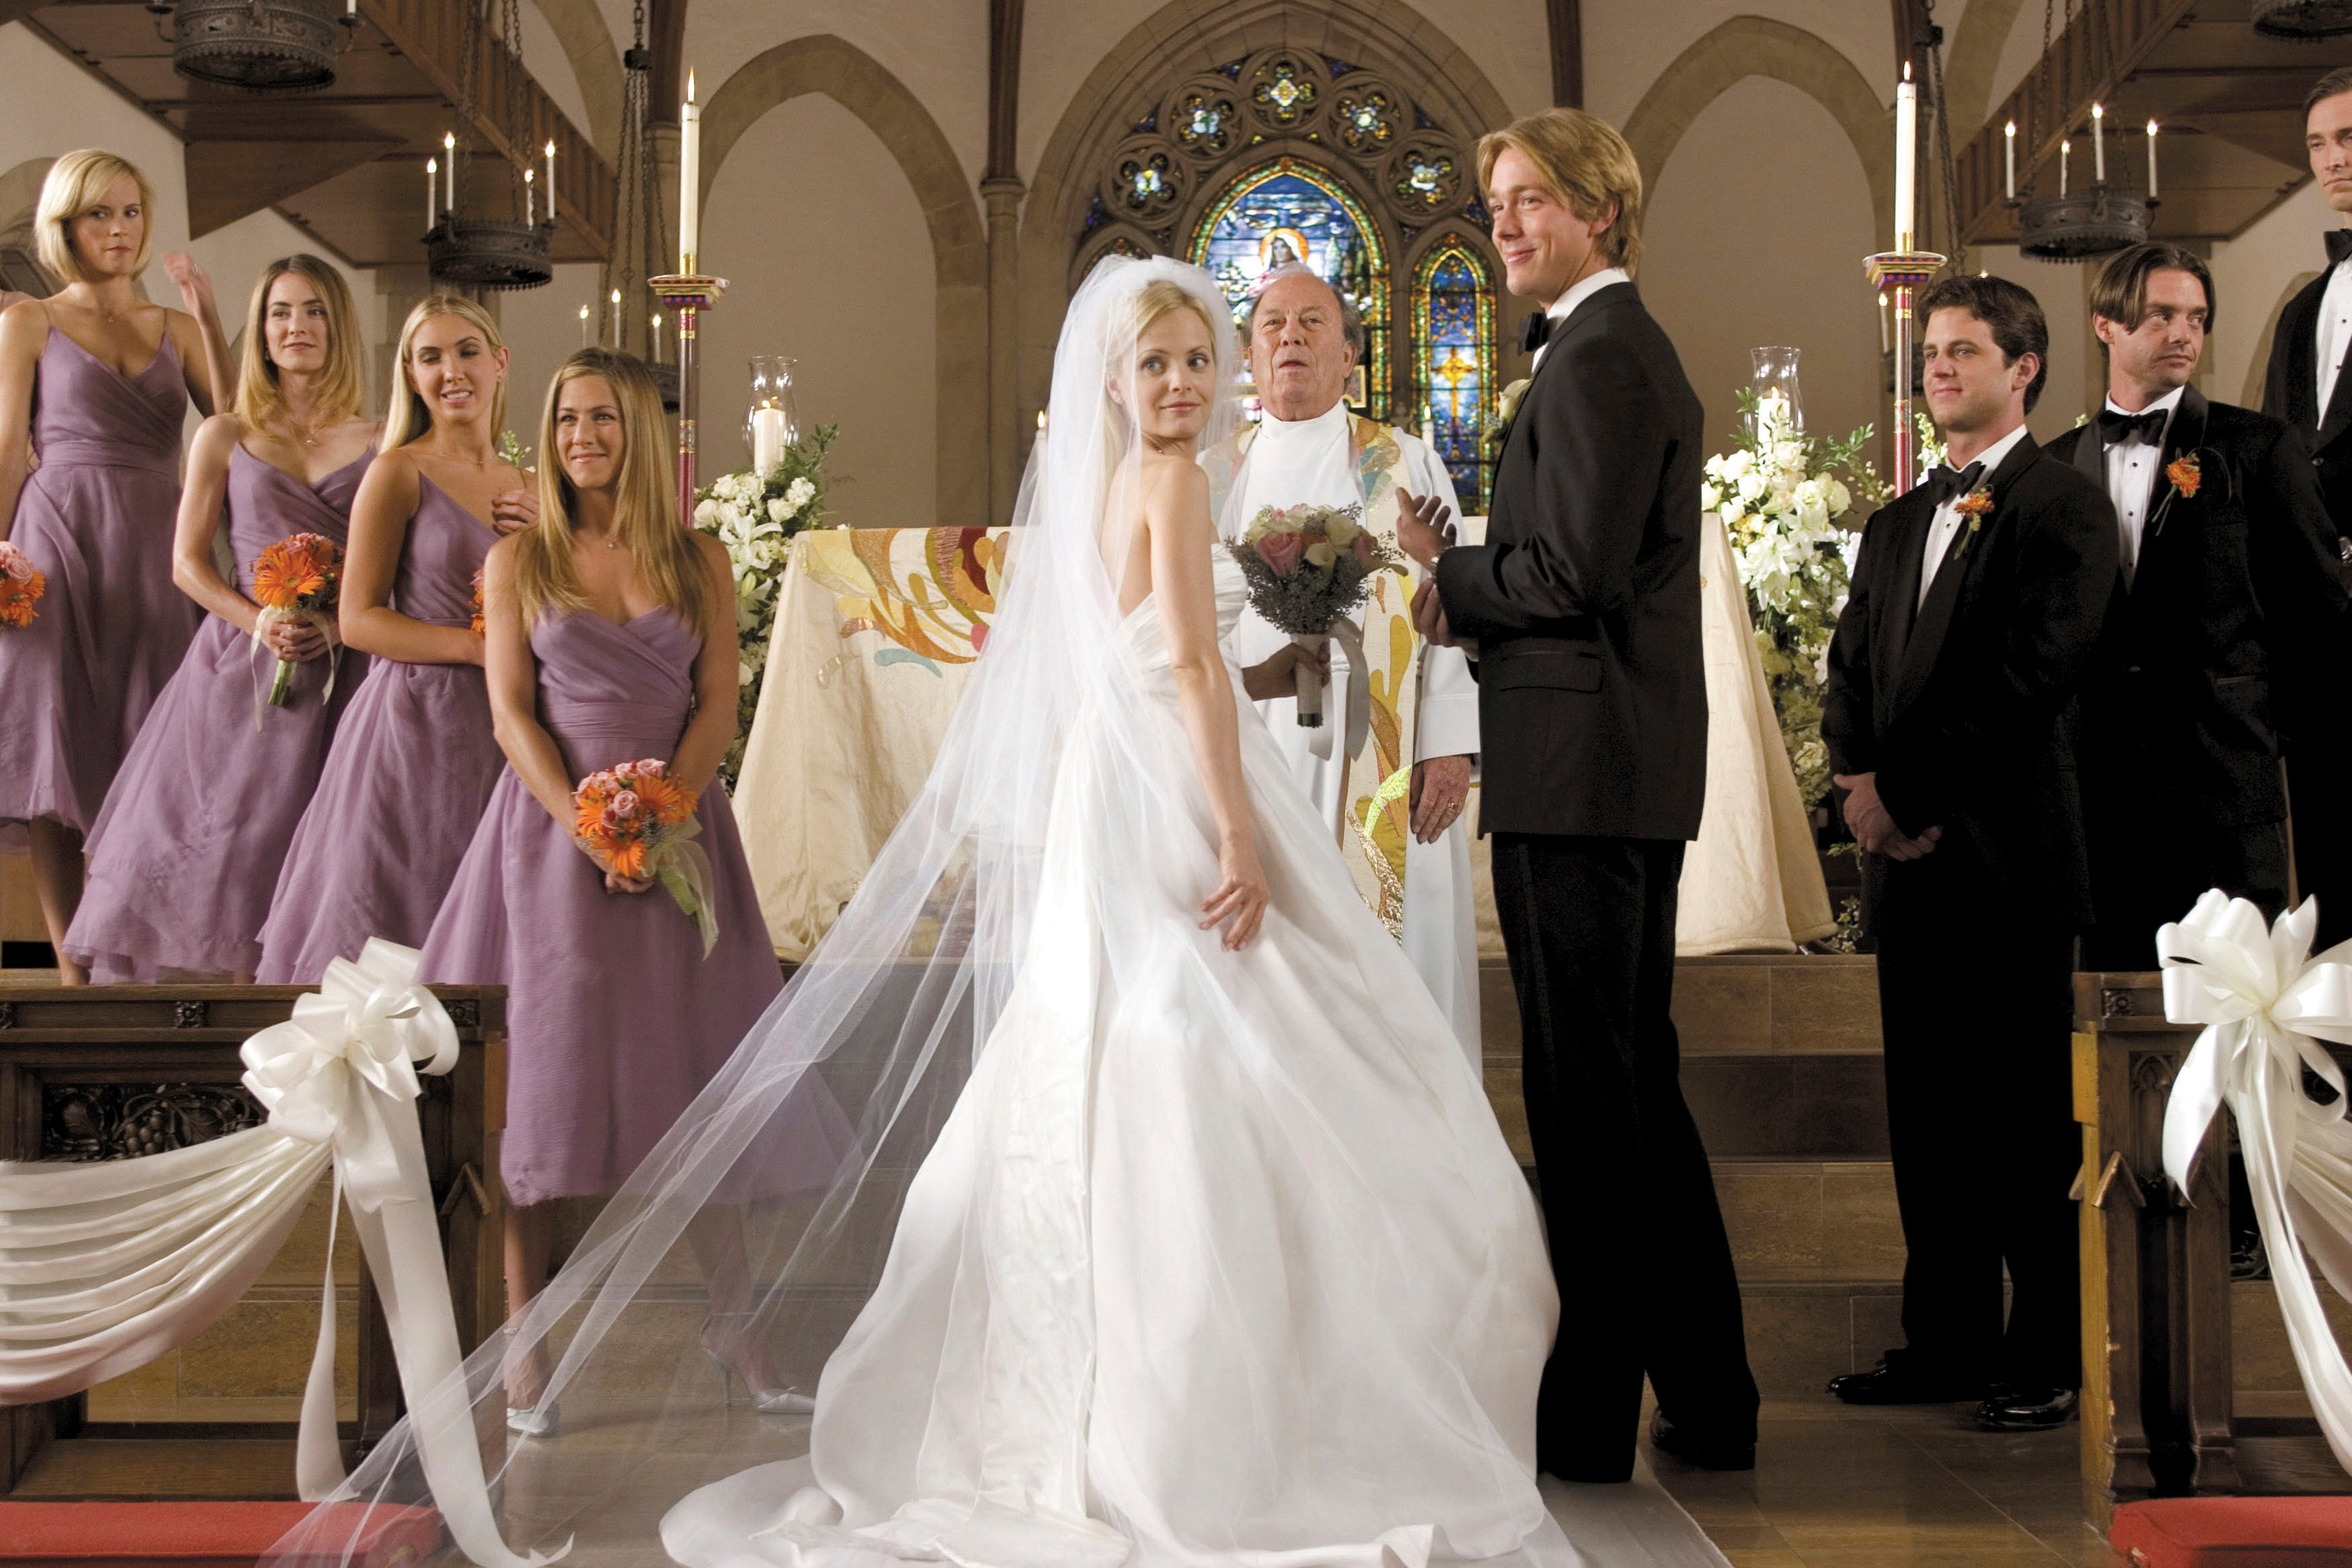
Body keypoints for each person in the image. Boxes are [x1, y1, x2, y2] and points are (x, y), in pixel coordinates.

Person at [266, 255, 1752, 1568]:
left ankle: (1086, 1389)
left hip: (1123, 796)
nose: (1183, 383)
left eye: (1196, 361)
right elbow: (1175, 674)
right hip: (1173, 800)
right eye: (1159, 363)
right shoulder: (1170, 481)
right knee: (1224, 1059)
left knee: (1120, 1051)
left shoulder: (1120, 480)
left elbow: (1154, 664)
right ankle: (1224, 1403)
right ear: (1116, 376)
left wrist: (1248, 697)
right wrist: (1242, 827)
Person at [1403, 105, 1758, 1482]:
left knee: (1589, 1103)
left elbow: (1572, 578)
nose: (1504, 222)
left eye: (1530, 199)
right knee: (1627, 1092)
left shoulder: (1606, 359)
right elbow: (1568, 562)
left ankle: (1592, 1421)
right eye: (1495, 201)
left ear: (1601, 212)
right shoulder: (1596, 353)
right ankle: (1711, 1399)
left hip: (1585, 775)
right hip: (1594, 766)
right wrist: (1484, 571)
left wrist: (1453, 587)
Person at [422, 349, 841, 1436]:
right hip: (550, 839)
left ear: (639, 432)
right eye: (565, 419)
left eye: (601, 418)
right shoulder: (518, 560)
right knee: (539, 1090)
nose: (580, 436)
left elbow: (714, 703)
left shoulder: (698, 558)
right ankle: (526, 1343)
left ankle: (735, 1325)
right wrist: (583, 820)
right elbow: (512, 712)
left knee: (702, 1078)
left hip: (683, 835)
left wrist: (667, 809)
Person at [1820, 274, 2116, 1433]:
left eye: (1962, 350)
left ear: (2022, 369)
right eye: (1930, 351)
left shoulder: (2064, 510)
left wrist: (1904, 793)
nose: (1937, 368)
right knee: (1929, 1120)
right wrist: (1858, 786)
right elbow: (1850, 669)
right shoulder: (1898, 521)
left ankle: (2046, 1351)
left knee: (2026, 1123)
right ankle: (1943, 1341)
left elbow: (2026, 682)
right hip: (1912, 871)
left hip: (2008, 860)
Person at [63, 255, 379, 983]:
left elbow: (399, 562)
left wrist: (339, 624)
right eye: (279, 313)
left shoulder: (382, 438)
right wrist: (258, 621)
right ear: (260, 333)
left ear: (339, 326)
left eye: (313, 311)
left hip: (348, 670)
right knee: (234, 843)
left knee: (329, 843)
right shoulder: (225, 435)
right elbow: (187, 563)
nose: (295, 327)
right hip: (238, 669)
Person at [1212, 261, 1483, 1059]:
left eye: (1312, 322)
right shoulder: (1211, 474)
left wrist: (1449, 746)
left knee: (1399, 976)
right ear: (1250, 360)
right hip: (1253, 753)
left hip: (1386, 755)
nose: (1290, 335)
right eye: (1272, 325)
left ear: (1349, 358)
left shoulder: (1403, 463)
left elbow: (1447, 605)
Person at [2051, 243, 2345, 971]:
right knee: (2112, 1018)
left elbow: (2319, 620)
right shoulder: (2054, 467)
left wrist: (2262, 739)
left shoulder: (2258, 448)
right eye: (2161, 315)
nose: (2184, 333)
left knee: (2235, 1023)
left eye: (2196, 318)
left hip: (2226, 792)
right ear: (2106, 325)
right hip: (2098, 798)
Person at [0, 149, 233, 983]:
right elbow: (4, 450)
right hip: (54, 546)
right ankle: (71, 969)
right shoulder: (27, 320)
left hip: (157, 548)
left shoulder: (172, 328)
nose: (119, 230)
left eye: (131, 212)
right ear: (64, 227)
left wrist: (206, 316)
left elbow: (237, 428)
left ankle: (136, 951)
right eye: (99, 214)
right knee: (57, 747)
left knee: (152, 745)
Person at [254, 294, 531, 983]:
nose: (451, 371)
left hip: (507, 730)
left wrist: (545, 540)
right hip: (414, 725)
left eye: (467, 351)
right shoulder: (397, 471)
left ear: (500, 363)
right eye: (430, 357)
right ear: (411, 375)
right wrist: (474, 648)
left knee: (489, 934)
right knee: (396, 924)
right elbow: (359, 619)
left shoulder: (531, 487)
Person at [2261, 65, 2352, 952]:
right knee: (2331, 878)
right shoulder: (2303, 310)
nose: (2333, 160)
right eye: (2319, 144)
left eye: (2349, 138)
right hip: (2320, 642)